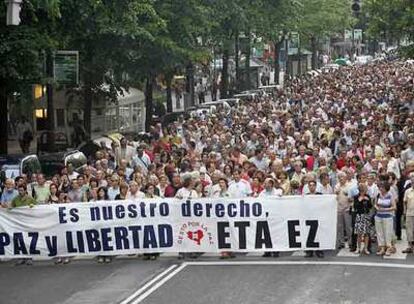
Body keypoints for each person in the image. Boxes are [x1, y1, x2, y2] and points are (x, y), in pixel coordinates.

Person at [10, 184, 36, 266]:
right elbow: (11, 207)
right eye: (19, 190)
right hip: (19, 222)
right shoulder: (15, 199)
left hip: (28, 222)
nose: (20, 192)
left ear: (25, 190)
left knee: (28, 240)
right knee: (20, 240)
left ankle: (29, 257)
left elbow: (38, 208)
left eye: (21, 190)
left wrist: (33, 206)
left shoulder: (30, 198)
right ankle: (21, 258)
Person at [375, 181, 396, 256]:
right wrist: (377, 207)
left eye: (382, 187)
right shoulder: (378, 194)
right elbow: (375, 204)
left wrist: (385, 209)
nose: (381, 189)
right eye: (380, 187)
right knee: (380, 233)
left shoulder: (390, 195)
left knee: (387, 233)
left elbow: (394, 207)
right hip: (378, 216)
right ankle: (382, 248)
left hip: (387, 216)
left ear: (386, 188)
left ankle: (389, 248)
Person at [305, 181, 324, 258]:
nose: (312, 187)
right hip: (309, 217)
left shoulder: (320, 195)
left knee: (318, 235)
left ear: (315, 186)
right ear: (308, 187)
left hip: (318, 217)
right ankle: (309, 251)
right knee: (309, 235)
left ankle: (319, 251)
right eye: (310, 185)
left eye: (313, 185)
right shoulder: (306, 196)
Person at [352, 183, 372, 254]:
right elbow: (355, 207)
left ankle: (366, 248)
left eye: (364, 190)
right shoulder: (356, 197)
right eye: (363, 190)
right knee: (359, 233)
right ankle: (358, 248)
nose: (364, 192)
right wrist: (360, 200)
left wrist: (368, 200)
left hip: (366, 215)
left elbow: (370, 206)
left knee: (366, 233)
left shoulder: (368, 196)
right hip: (359, 216)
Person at [403, 172, 414, 253]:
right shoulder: (408, 191)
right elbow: (405, 202)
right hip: (409, 213)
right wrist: (404, 211)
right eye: (412, 182)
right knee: (409, 230)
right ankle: (410, 246)